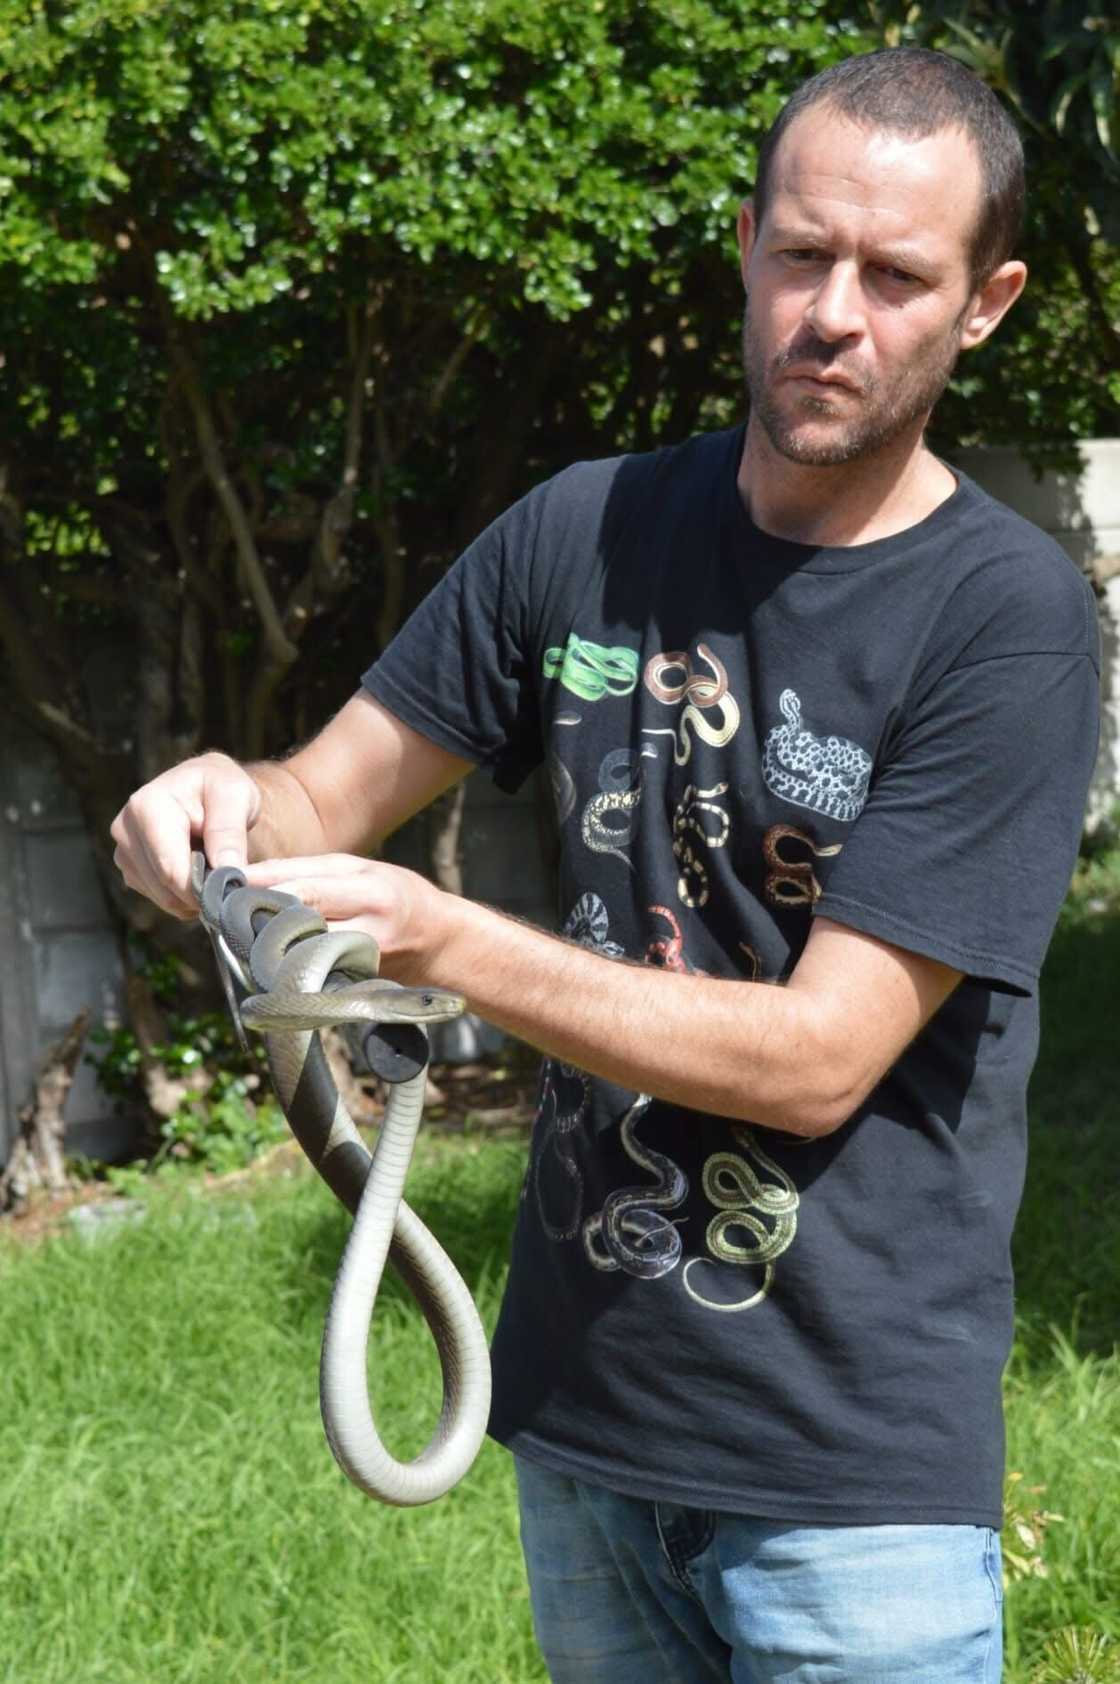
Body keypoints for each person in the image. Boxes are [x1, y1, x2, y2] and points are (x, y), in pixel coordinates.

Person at [112, 47, 1100, 1684]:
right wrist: (217, 806)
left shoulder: (1007, 623)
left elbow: (819, 1059)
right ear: (745, 245)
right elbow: (316, 799)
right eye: (802, 252)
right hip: (578, 1434)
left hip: (847, 1490)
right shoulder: (583, 529)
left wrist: (442, 944)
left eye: (896, 275)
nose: (833, 311)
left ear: (982, 305)